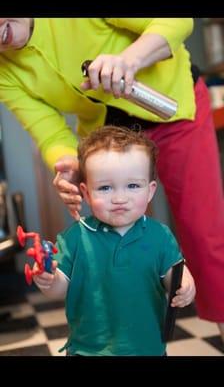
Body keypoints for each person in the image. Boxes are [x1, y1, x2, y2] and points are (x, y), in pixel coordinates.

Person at [0, 18, 223, 343]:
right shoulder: (4, 72)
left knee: (204, 235)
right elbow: (49, 131)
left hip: (172, 106)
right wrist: (67, 163)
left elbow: (176, 21)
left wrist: (130, 59)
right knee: (122, 245)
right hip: (107, 136)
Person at [33, 125, 196, 356]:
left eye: (132, 185)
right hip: (88, 349)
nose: (120, 198)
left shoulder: (160, 235)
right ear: (86, 193)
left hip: (147, 347)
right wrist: (50, 282)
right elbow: (60, 289)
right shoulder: (76, 237)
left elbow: (174, 273)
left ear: (150, 191)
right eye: (105, 188)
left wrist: (185, 284)